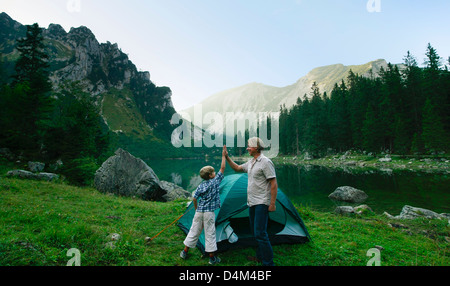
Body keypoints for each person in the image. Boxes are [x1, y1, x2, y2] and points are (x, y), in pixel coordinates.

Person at [223, 137, 277, 266]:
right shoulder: (251, 162)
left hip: (262, 202)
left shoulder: (266, 162)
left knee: (261, 233)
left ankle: (269, 263)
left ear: (256, 147)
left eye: (249, 146)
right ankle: (260, 256)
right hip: (251, 202)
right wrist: (226, 157)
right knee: (255, 232)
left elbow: (273, 184)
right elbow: (237, 168)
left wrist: (272, 203)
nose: (247, 148)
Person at [180, 146, 226, 265]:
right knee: (210, 233)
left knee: (194, 230)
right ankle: (212, 258)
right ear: (210, 175)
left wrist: (196, 209)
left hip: (200, 211)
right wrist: (223, 156)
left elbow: (195, 197)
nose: (215, 173)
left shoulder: (201, 185)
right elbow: (223, 168)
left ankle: (185, 252)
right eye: (213, 172)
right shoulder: (215, 182)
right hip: (209, 213)